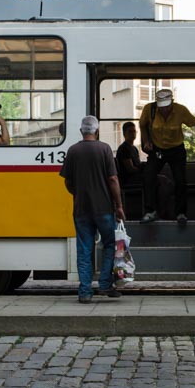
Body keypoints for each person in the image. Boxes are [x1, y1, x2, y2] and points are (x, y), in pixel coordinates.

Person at [60, 115, 125, 303]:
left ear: (82, 131)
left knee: (84, 249)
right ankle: (105, 284)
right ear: (96, 131)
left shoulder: (73, 151)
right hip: (104, 208)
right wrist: (119, 205)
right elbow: (113, 179)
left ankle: (85, 292)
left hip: (81, 209)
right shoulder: (104, 149)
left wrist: (78, 194)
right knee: (110, 245)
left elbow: (68, 181)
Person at [140, 87, 195, 224]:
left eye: (166, 107)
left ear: (172, 102)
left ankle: (180, 213)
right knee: (148, 176)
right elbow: (142, 125)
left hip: (176, 150)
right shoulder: (149, 110)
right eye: (161, 107)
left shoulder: (180, 110)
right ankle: (150, 211)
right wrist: (146, 141)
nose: (164, 110)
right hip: (157, 149)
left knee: (180, 180)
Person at [116, 121, 142, 187]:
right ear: (124, 133)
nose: (133, 133)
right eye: (130, 131)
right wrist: (143, 170)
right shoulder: (124, 149)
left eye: (134, 131)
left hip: (136, 177)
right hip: (128, 179)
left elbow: (138, 164)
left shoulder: (134, 148)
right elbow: (130, 169)